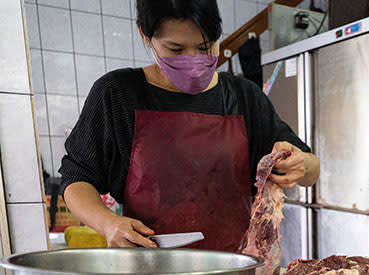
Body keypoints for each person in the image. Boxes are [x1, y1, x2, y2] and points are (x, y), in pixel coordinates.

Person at [59, 0, 320, 252]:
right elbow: (76, 179)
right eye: (175, 49)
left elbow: (311, 170)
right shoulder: (117, 94)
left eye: (206, 46)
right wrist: (109, 224)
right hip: (152, 274)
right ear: (145, 36)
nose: (194, 61)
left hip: (233, 273)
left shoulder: (244, 97)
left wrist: (300, 165)